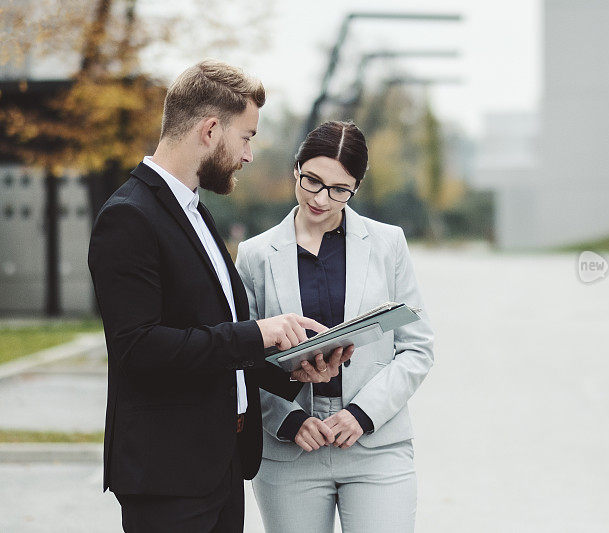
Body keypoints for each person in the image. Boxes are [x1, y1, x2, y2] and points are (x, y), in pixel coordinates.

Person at [87, 60, 352, 533]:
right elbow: (139, 349)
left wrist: (292, 368)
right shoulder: (128, 217)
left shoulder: (196, 212)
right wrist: (256, 333)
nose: (249, 155)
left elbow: (210, 343)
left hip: (221, 467)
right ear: (210, 130)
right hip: (168, 478)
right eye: (247, 137)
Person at [235, 121, 434, 532]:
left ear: (356, 187)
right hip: (291, 451)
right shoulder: (254, 255)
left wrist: (362, 413)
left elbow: (417, 347)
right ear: (296, 169)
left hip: (376, 445)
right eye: (312, 181)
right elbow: (241, 356)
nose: (321, 198)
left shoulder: (387, 244)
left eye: (339, 189)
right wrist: (286, 420)